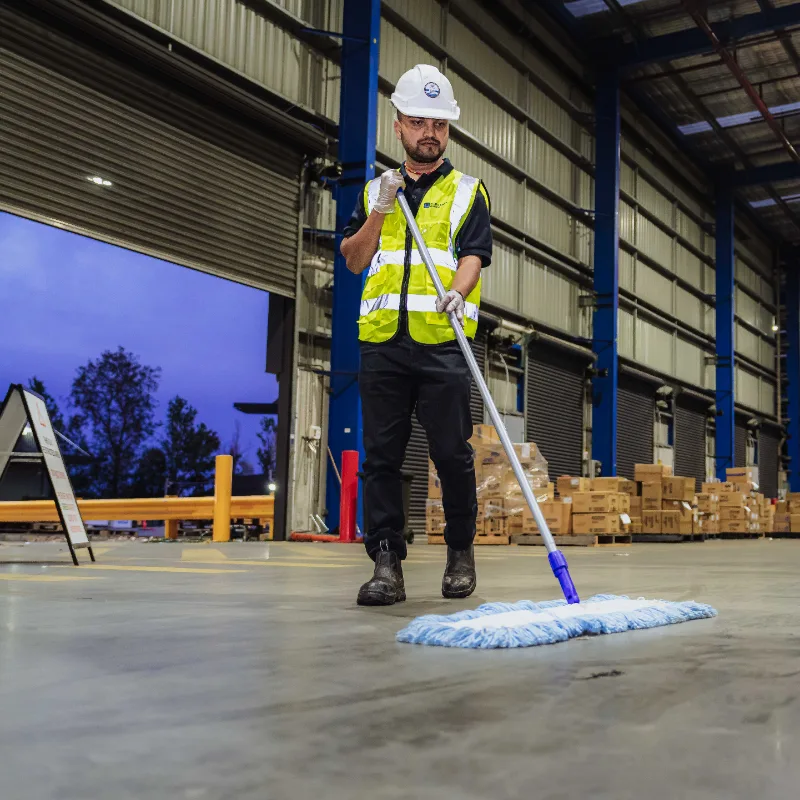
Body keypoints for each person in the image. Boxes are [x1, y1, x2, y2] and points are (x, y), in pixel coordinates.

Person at [340, 64, 493, 606]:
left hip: (442, 341)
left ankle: (459, 553)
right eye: (420, 122)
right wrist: (379, 208)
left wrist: (458, 288)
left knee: (451, 454)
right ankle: (386, 562)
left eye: (440, 124)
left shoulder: (469, 191)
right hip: (383, 344)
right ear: (399, 125)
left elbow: (475, 254)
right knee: (381, 456)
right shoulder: (372, 192)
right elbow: (355, 259)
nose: (431, 132)